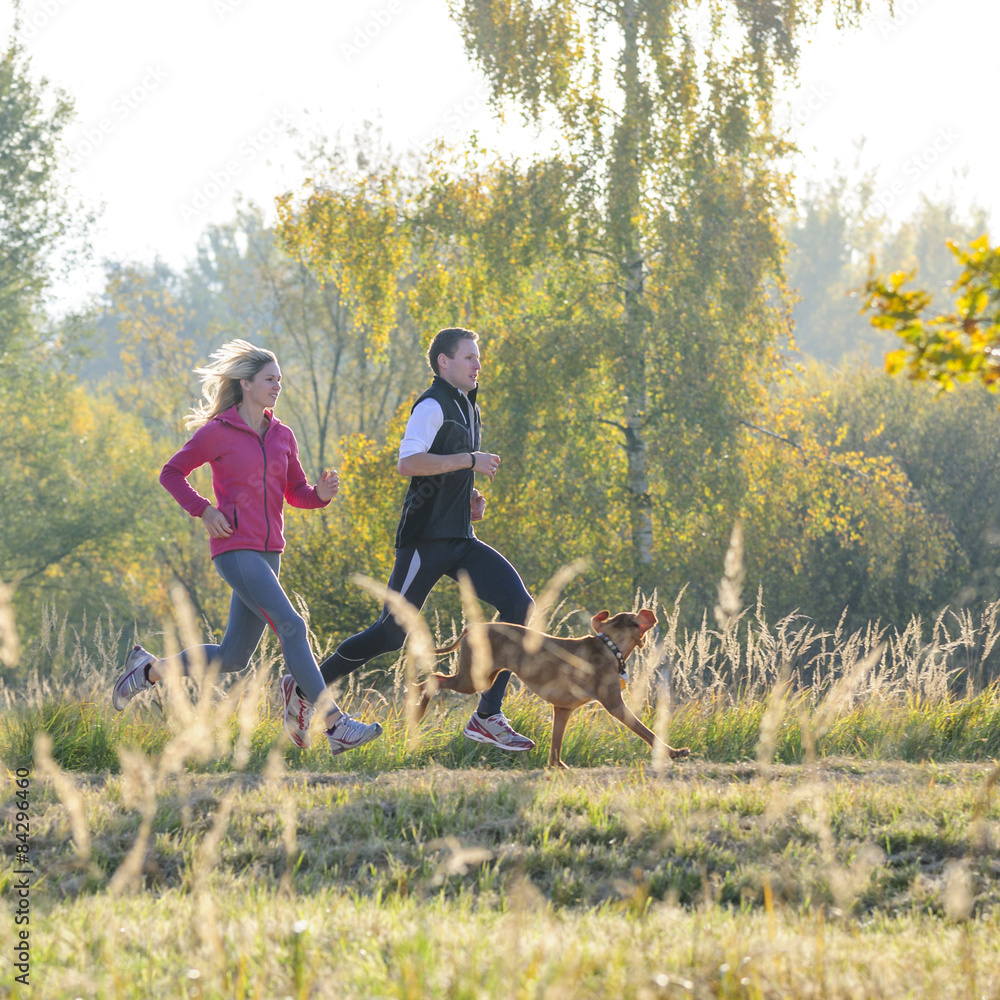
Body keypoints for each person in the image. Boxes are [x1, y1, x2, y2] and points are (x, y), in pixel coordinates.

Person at [111, 339, 382, 757]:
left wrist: (321, 494)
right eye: (270, 379)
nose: (277, 386)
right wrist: (203, 511)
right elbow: (171, 473)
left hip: (271, 553)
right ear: (246, 384)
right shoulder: (218, 432)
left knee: (233, 656)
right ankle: (336, 724)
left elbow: (296, 492)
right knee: (293, 626)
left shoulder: (282, 435)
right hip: (234, 549)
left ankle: (149, 671)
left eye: (280, 380)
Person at [309, 327, 536, 751]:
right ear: (444, 363)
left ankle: (487, 716)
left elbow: (443, 468)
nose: (477, 364)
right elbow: (409, 462)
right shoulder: (433, 404)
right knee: (390, 635)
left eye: (478, 357)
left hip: (459, 538)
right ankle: (307, 688)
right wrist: (470, 460)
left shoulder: (469, 406)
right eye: (469, 357)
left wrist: (467, 495)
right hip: (424, 541)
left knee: (520, 605)